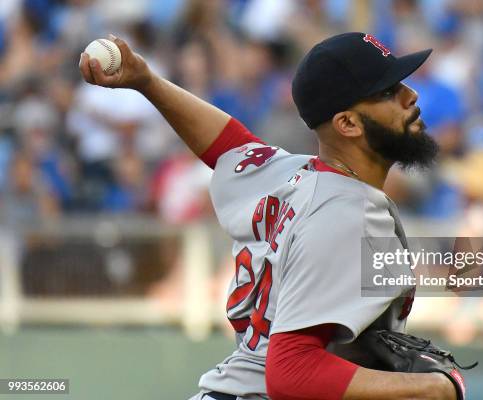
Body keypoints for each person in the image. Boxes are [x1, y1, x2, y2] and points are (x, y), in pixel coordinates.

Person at [79, 32, 457, 400]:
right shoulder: (346, 214)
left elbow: (228, 144)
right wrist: (432, 389)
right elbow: (290, 373)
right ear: (348, 124)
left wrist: (147, 81)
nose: (412, 96)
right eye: (390, 92)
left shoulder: (287, 174)